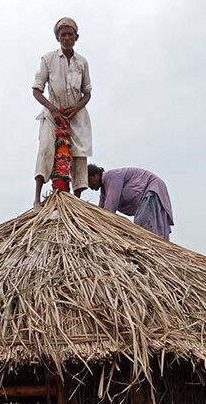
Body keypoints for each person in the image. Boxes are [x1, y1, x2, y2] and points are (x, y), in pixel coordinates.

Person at [32, 18, 92, 208]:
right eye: (63, 35)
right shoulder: (48, 59)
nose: (67, 38)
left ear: (76, 37)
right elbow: (36, 90)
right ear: (57, 38)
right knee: (46, 148)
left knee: (79, 154)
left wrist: (77, 107)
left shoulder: (82, 62)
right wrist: (53, 110)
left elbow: (87, 92)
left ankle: (77, 201)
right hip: (53, 113)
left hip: (76, 115)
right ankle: (37, 199)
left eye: (70, 34)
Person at [87, 165, 174, 240]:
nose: (89, 186)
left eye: (89, 181)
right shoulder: (104, 192)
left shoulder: (111, 176)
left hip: (151, 189)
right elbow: (101, 211)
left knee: (145, 228)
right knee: (143, 226)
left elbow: (110, 207)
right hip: (146, 196)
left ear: (96, 174)